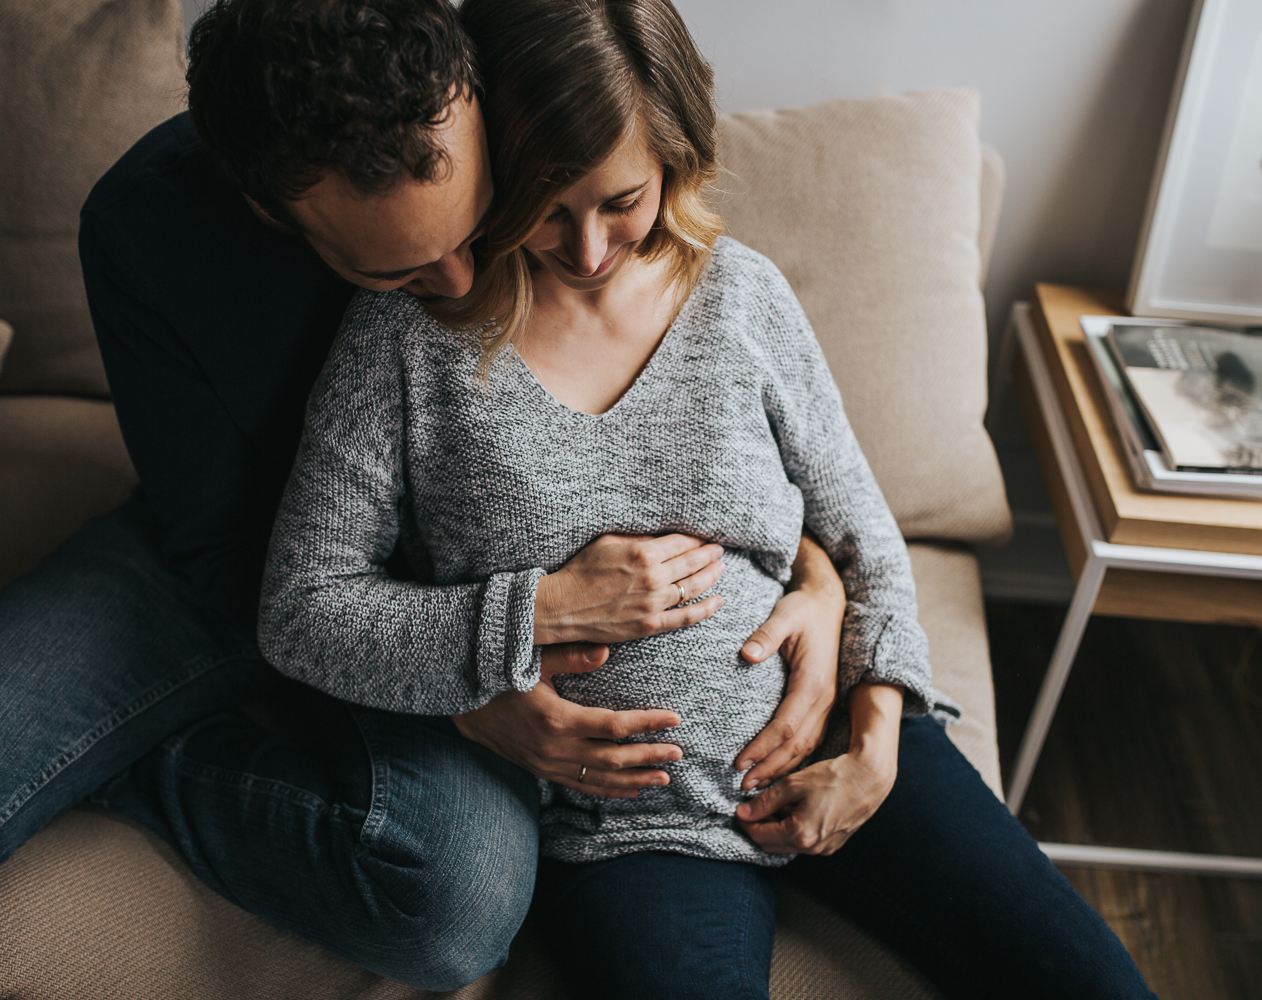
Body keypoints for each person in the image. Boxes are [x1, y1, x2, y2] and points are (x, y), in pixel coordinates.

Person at [0, 1, 849, 997]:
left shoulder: (503, 84)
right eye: (396, 270)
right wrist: (478, 681)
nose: (463, 280)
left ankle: (157, 767)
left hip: (466, 563)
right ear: (271, 211)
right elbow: (227, 555)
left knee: (452, 899)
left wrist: (818, 578)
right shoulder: (144, 229)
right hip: (248, 563)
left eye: (481, 229)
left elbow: (725, 418)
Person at [258, 1, 1161, 999]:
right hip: (633, 824)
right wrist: (520, 622)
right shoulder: (407, 337)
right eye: (547, 206)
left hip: (823, 735)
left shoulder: (741, 295)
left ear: (674, 163)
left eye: (622, 201)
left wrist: (876, 731)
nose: (590, 248)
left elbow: (862, 529)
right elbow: (306, 610)